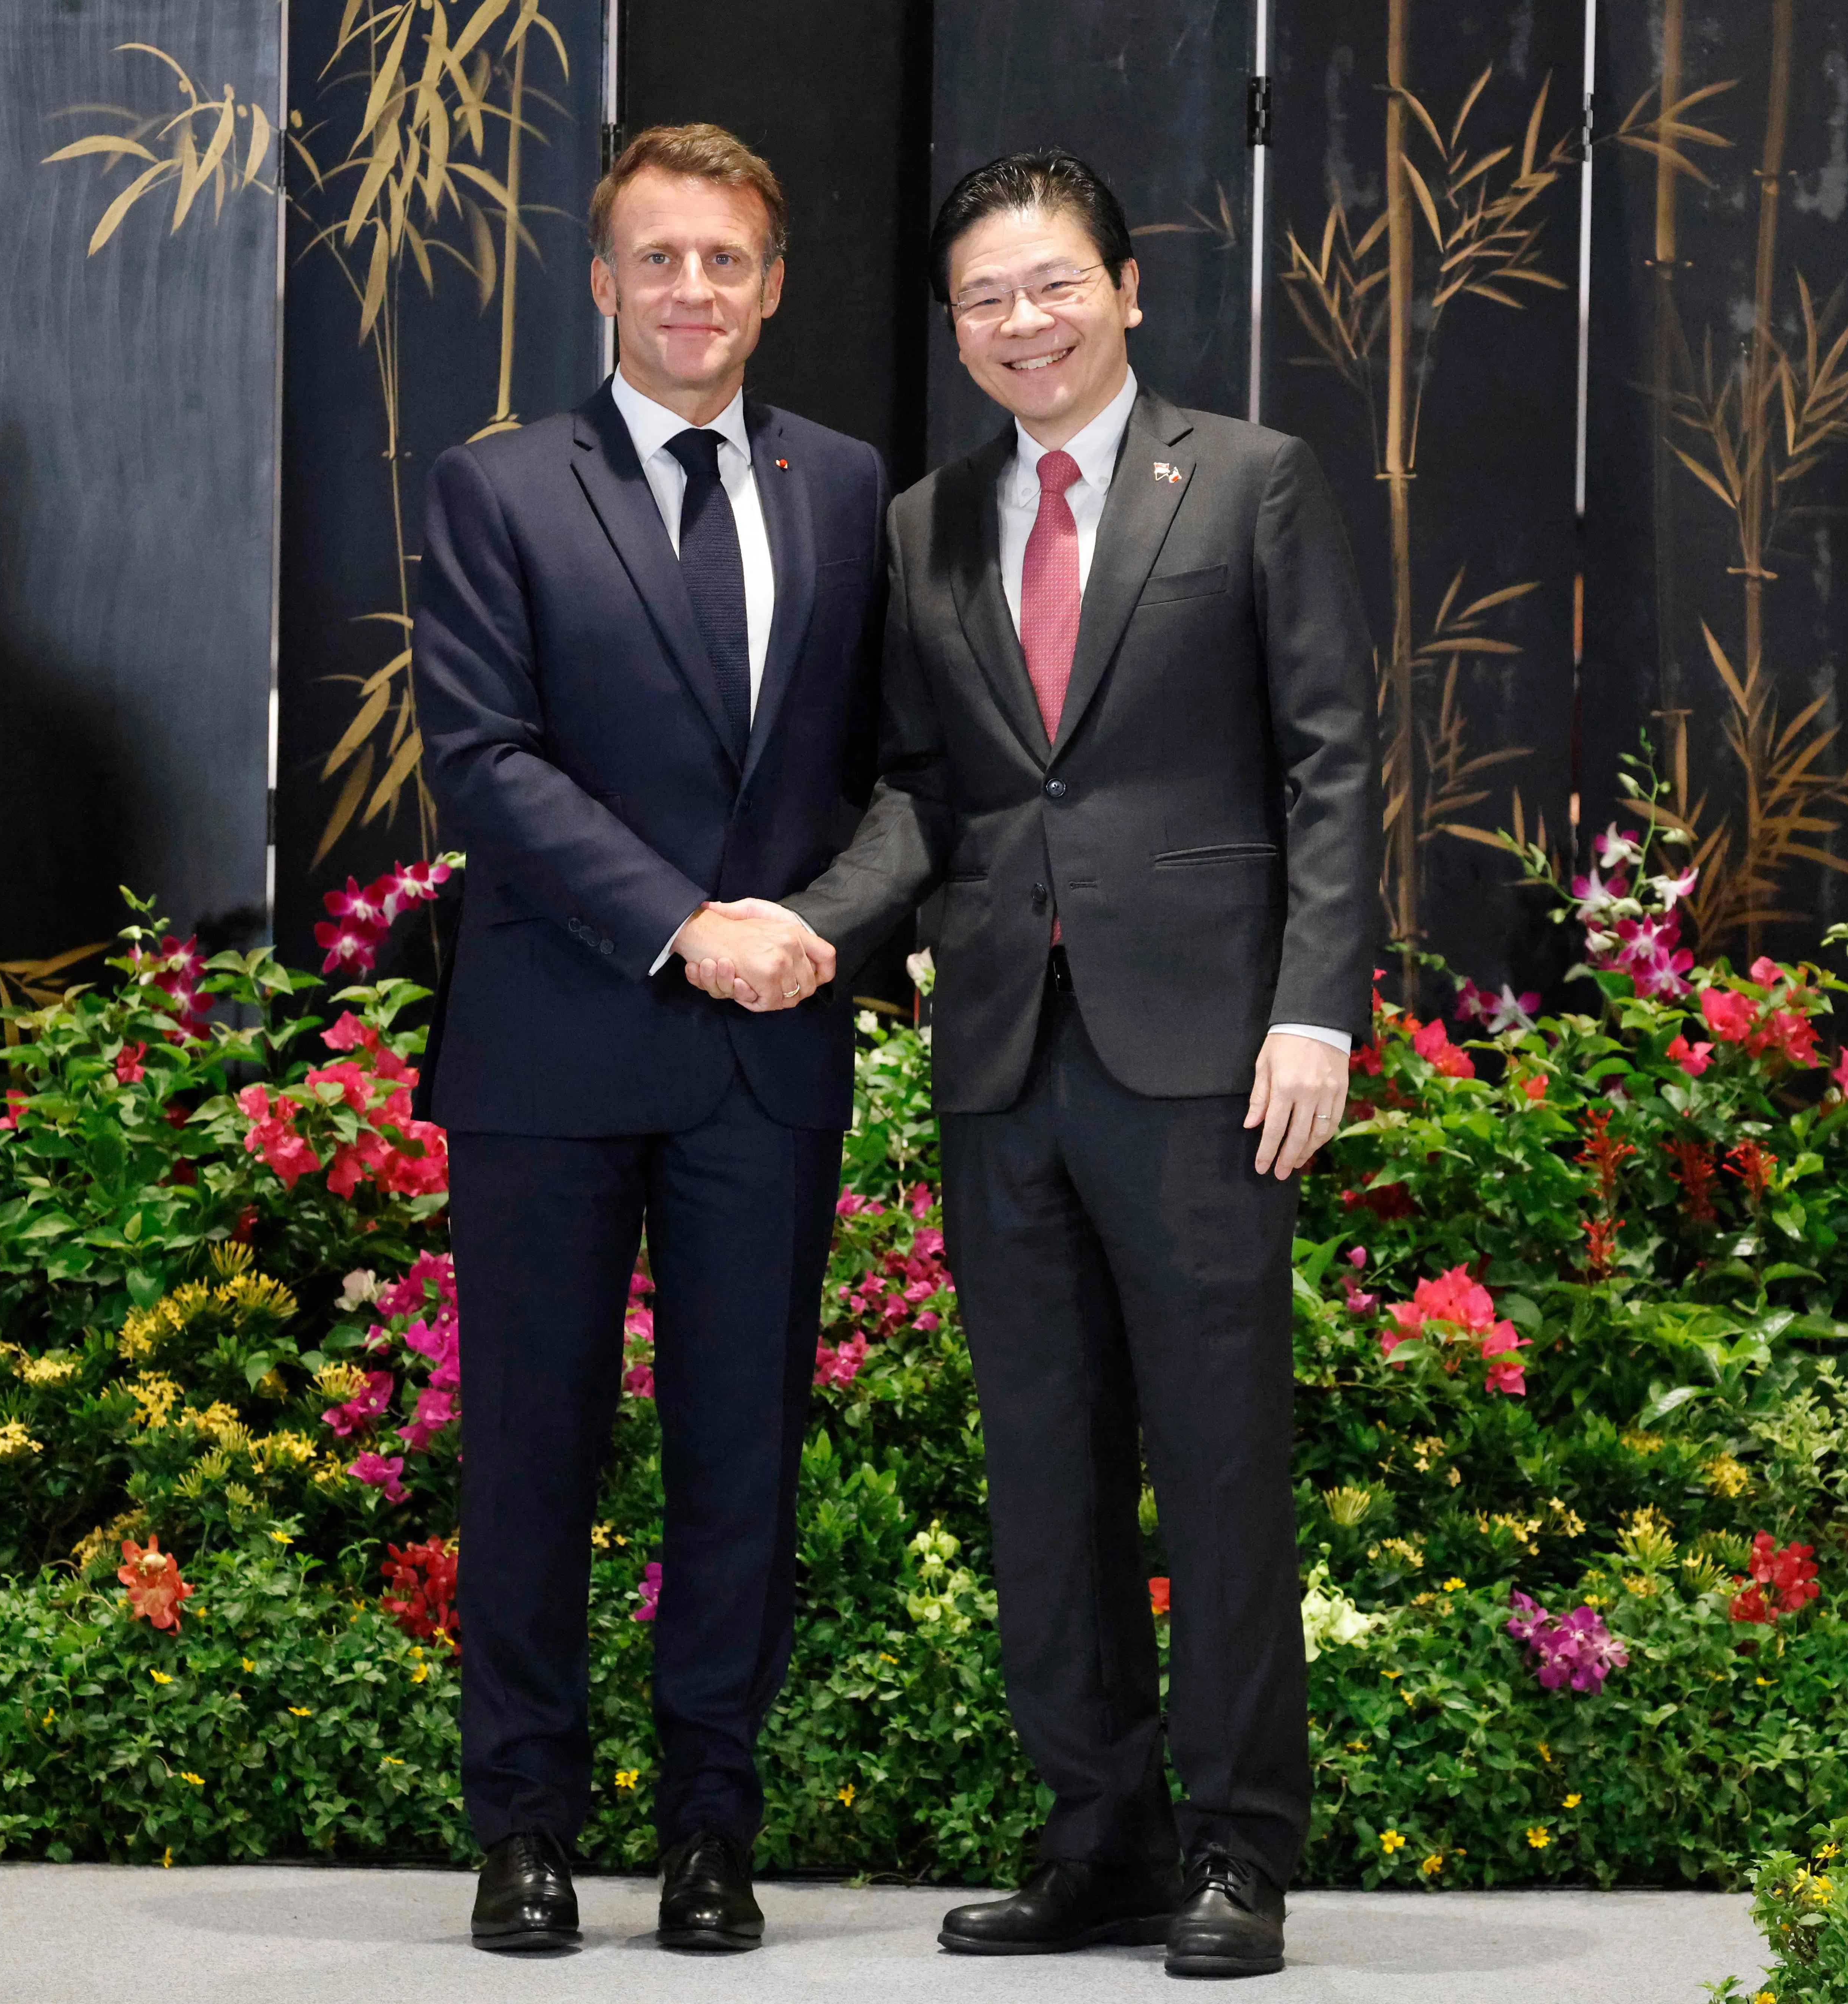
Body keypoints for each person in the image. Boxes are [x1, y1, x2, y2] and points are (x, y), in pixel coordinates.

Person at [697, 149, 1375, 1980]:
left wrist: (1315, 1007)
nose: (1024, 320)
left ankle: (1237, 1851)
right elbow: (929, 790)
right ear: (955, 326)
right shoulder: (926, 523)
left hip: (1207, 1050)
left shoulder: (1251, 479)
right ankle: (1103, 1843)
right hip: (1002, 1048)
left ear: (1127, 289)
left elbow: (1330, 755)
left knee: (1217, 1459)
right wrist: (811, 927)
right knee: (1044, 1469)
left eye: (1054, 283)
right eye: (985, 298)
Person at [414, 122, 880, 1958]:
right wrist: (690, 925)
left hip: (768, 1057)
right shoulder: (498, 487)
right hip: (554, 1046)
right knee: (531, 1451)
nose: (695, 288)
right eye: (660, 258)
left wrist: (812, 928)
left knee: (740, 1463)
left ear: (773, 286)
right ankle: (523, 1826)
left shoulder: (846, 486)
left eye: (727, 259)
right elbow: (485, 761)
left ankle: (709, 1832)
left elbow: (893, 769)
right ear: (603, 281)